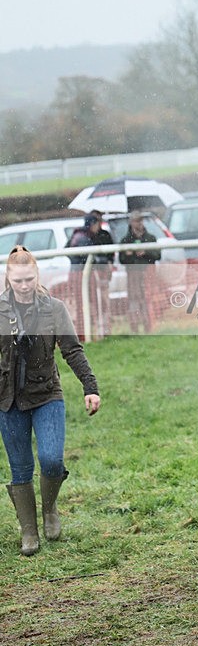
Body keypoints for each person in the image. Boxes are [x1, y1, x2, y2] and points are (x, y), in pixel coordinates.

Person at [0, 246, 100, 556]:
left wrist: (90, 387)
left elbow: (72, 350)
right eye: (18, 280)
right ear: (8, 279)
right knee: (20, 468)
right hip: (8, 400)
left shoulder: (54, 308)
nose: (24, 286)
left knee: (52, 459)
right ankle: (29, 531)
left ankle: (50, 508)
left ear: (37, 275)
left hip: (47, 395)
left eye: (29, 279)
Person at [67, 213, 114, 338]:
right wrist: (104, 261)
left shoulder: (79, 234)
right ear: (93, 224)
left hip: (78, 274)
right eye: (98, 224)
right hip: (82, 275)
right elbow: (89, 258)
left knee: (83, 305)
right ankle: (86, 334)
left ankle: (86, 333)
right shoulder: (84, 237)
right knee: (88, 304)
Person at [119, 211, 161, 333]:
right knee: (134, 300)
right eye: (136, 221)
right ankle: (135, 328)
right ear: (131, 222)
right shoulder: (126, 240)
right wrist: (132, 255)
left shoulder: (150, 238)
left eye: (140, 220)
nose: (139, 223)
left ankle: (149, 326)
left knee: (148, 299)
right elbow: (122, 259)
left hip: (148, 273)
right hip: (133, 275)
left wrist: (145, 253)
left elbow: (157, 255)